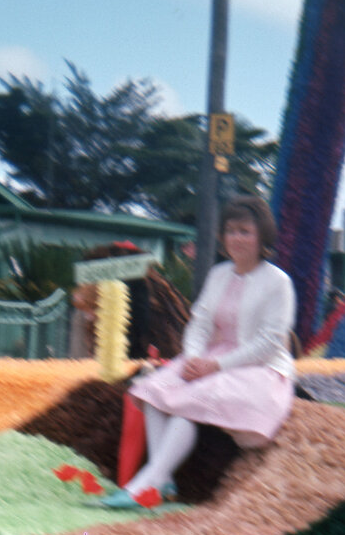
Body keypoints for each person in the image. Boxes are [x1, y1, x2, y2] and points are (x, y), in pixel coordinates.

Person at [106, 196, 296, 508]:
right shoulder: (219, 274)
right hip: (210, 358)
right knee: (154, 391)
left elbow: (270, 342)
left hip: (259, 368)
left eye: (245, 231)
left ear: (262, 236)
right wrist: (193, 357)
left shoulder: (278, 282)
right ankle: (162, 478)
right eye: (231, 231)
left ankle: (146, 483)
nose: (236, 238)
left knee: (188, 402)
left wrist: (217, 366)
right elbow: (199, 323)